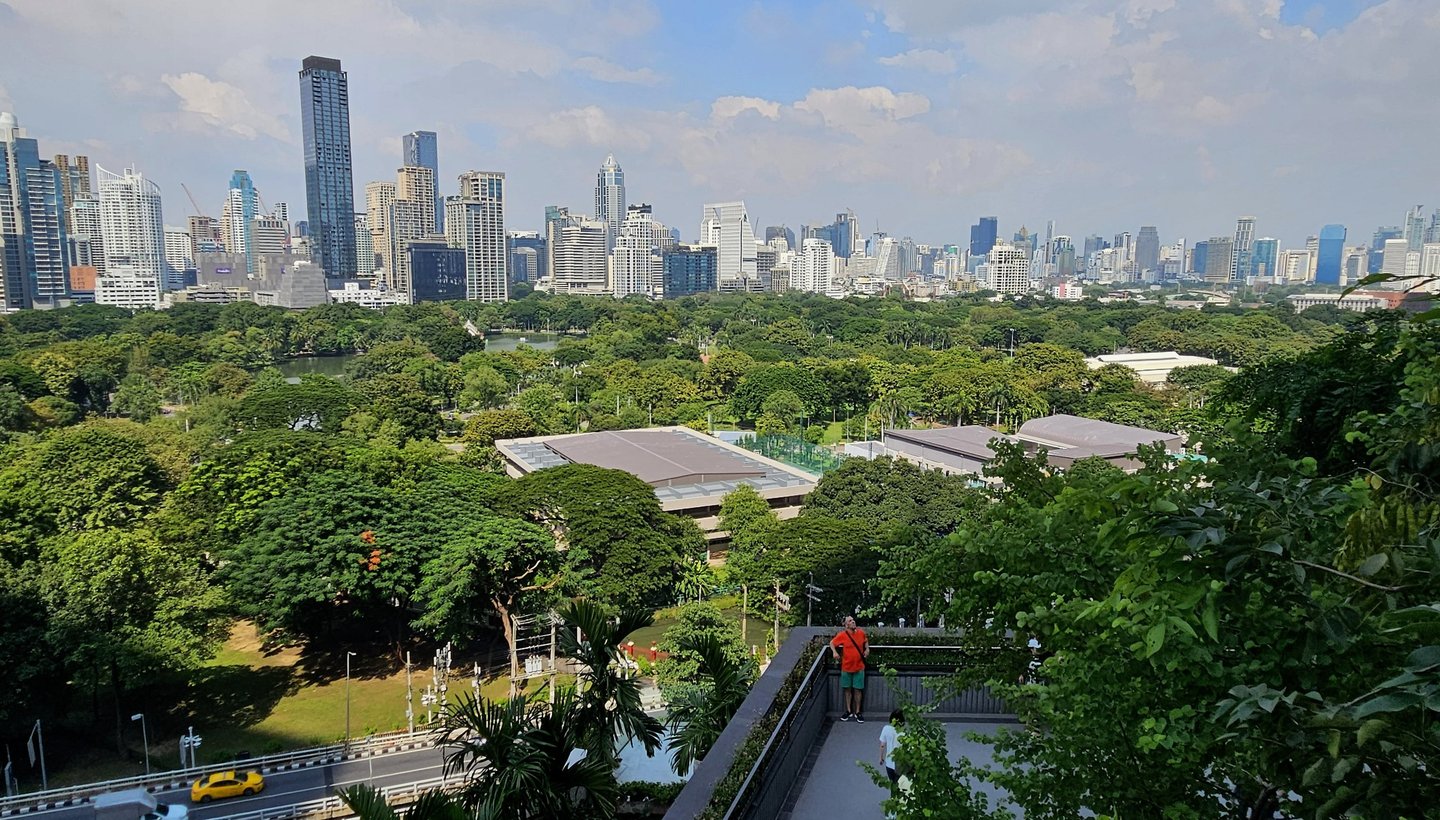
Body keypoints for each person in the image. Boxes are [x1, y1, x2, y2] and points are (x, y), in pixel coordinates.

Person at [830, 614, 869, 721]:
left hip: (859, 666)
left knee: (858, 690)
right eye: (850, 621)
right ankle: (848, 711)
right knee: (847, 690)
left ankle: (858, 712)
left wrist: (867, 649)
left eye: (853, 620)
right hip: (846, 667)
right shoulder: (842, 635)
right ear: (846, 624)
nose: (853, 621)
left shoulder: (861, 633)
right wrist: (834, 652)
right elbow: (832, 643)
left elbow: (865, 641)